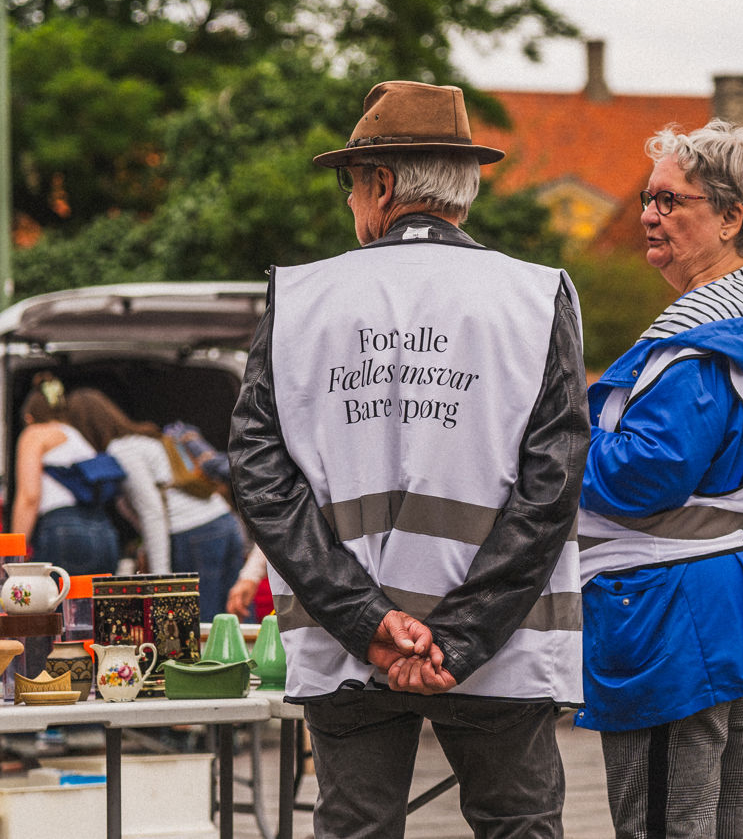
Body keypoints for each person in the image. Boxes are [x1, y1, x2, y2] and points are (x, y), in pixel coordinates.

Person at [227, 80, 588, 838]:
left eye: (351, 185)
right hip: (503, 646)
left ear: (383, 183)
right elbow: (551, 487)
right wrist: (461, 638)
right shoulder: (537, 295)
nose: (350, 204)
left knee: (354, 827)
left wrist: (366, 622)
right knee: (518, 826)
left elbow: (259, 473)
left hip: (345, 646)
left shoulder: (300, 298)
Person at [576, 119, 743, 836]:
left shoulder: (700, 350)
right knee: (729, 820)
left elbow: (642, 476)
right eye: (649, 198)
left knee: (664, 824)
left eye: (670, 201)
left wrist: (557, 436)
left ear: (731, 216)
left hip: (671, 615)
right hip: (737, 591)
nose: (648, 214)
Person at [65, 388, 245, 620]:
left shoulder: (122, 451)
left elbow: (152, 512)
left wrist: (161, 579)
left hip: (193, 533)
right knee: (236, 613)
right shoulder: (144, 438)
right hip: (223, 522)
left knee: (201, 621)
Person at [10, 373, 120, 574]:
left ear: (29, 417)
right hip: (104, 532)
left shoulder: (35, 434)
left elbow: (29, 497)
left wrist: (13, 555)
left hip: (62, 530)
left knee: (52, 604)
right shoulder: (77, 436)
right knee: (91, 605)